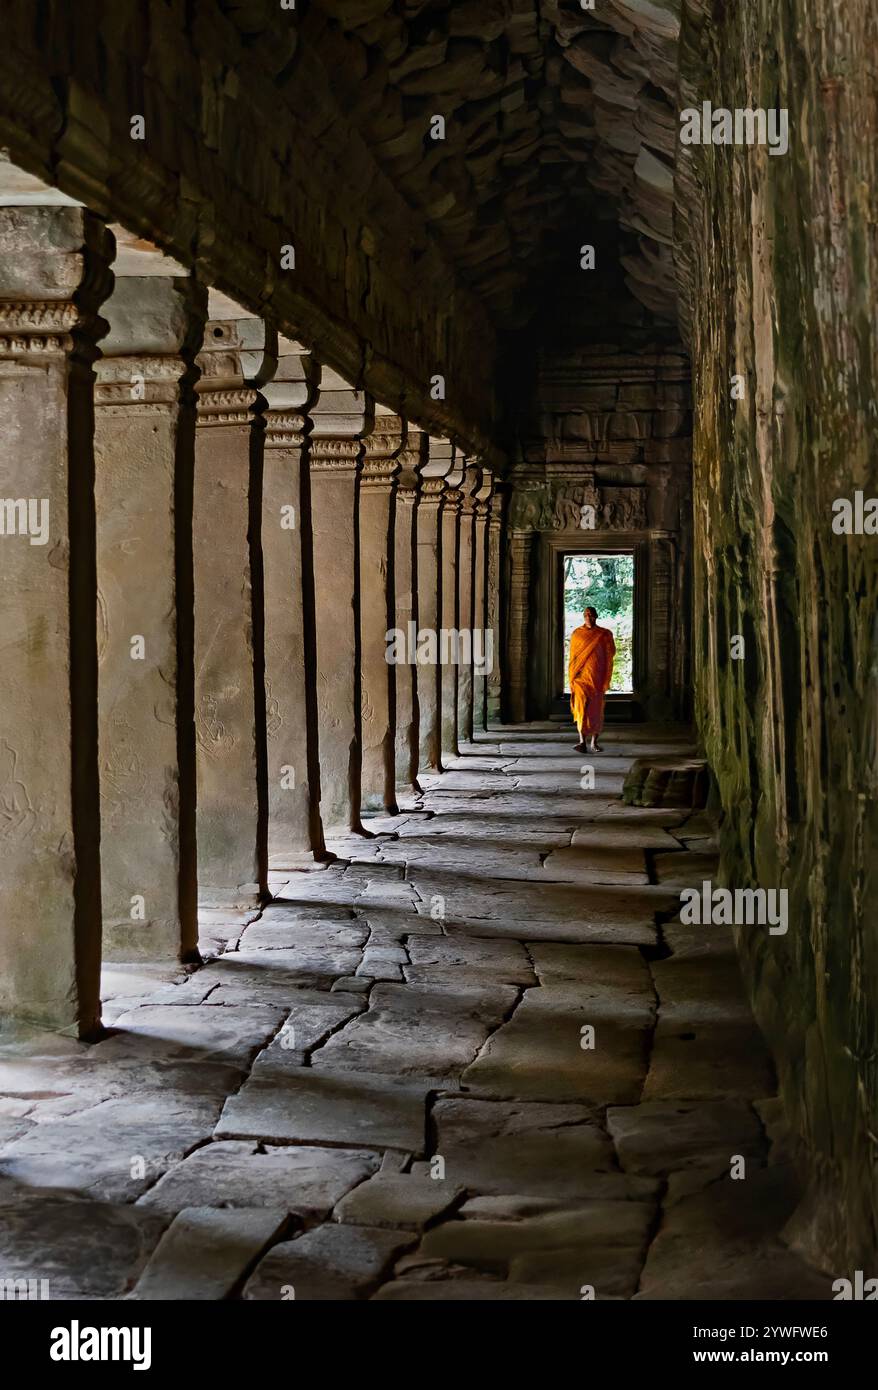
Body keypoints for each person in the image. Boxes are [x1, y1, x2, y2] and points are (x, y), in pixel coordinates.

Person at [569, 606, 615, 753]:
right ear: (583, 617)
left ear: (596, 616)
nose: (589, 617)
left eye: (591, 615)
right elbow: (573, 659)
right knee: (581, 709)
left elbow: (610, 654)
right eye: (586, 615)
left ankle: (594, 742)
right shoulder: (577, 634)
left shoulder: (604, 635)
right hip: (580, 680)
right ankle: (582, 741)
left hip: (597, 679)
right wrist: (572, 677)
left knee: (596, 711)